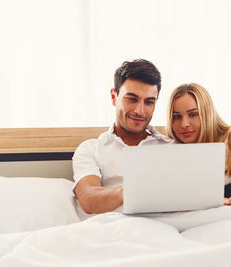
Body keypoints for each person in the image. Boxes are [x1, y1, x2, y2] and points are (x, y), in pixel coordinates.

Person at [72, 59, 171, 217]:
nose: (140, 111)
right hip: (115, 229)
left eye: (149, 102)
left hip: (164, 229)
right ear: (113, 97)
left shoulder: (171, 148)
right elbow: (88, 198)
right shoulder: (91, 149)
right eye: (132, 99)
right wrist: (133, 191)